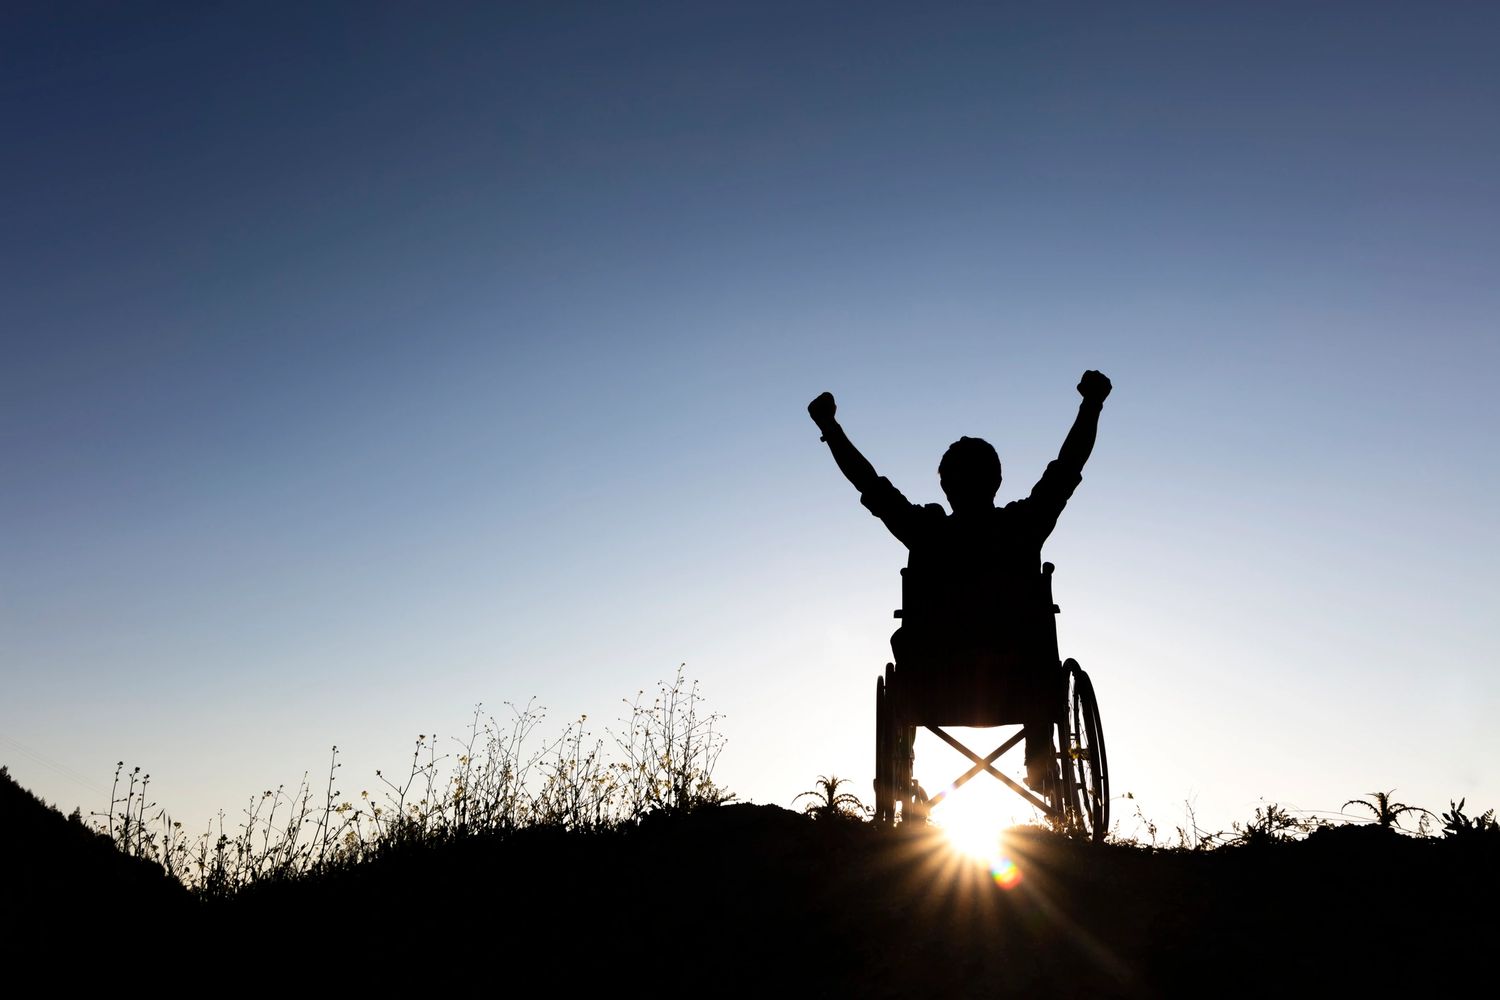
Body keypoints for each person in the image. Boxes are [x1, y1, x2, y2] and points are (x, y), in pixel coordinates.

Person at [807, 370, 1112, 794]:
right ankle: (1040, 765)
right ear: (997, 482)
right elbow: (1067, 468)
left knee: (906, 645)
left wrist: (830, 429)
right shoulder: (1023, 527)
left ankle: (902, 769)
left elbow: (871, 486)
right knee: (1038, 643)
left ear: (946, 486)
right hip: (1023, 687)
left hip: (933, 689)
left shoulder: (926, 532)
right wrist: (1092, 404)